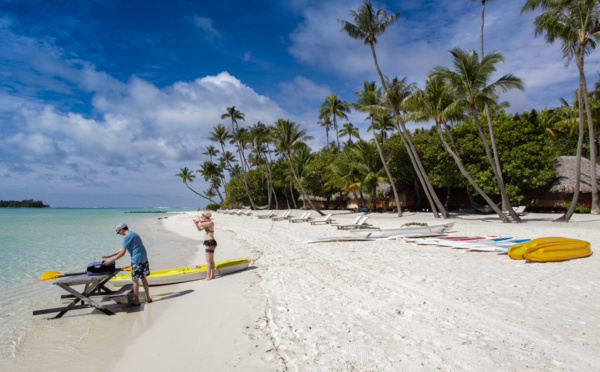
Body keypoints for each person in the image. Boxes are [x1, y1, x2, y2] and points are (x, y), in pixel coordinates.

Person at [103, 223, 152, 305]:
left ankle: (136, 301)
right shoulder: (134, 234)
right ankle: (148, 297)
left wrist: (110, 261)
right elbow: (123, 248)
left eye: (119, 232)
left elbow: (122, 253)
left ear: (121, 229)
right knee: (143, 278)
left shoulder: (127, 237)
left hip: (136, 260)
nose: (119, 234)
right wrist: (110, 255)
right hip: (144, 258)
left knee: (135, 280)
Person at [193, 211, 216, 281]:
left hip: (210, 242)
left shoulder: (210, 222)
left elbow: (201, 225)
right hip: (209, 242)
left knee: (208, 261)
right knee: (211, 260)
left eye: (202, 216)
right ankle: (213, 275)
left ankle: (208, 277)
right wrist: (196, 224)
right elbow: (199, 229)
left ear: (205, 216)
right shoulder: (206, 223)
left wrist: (198, 220)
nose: (201, 217)